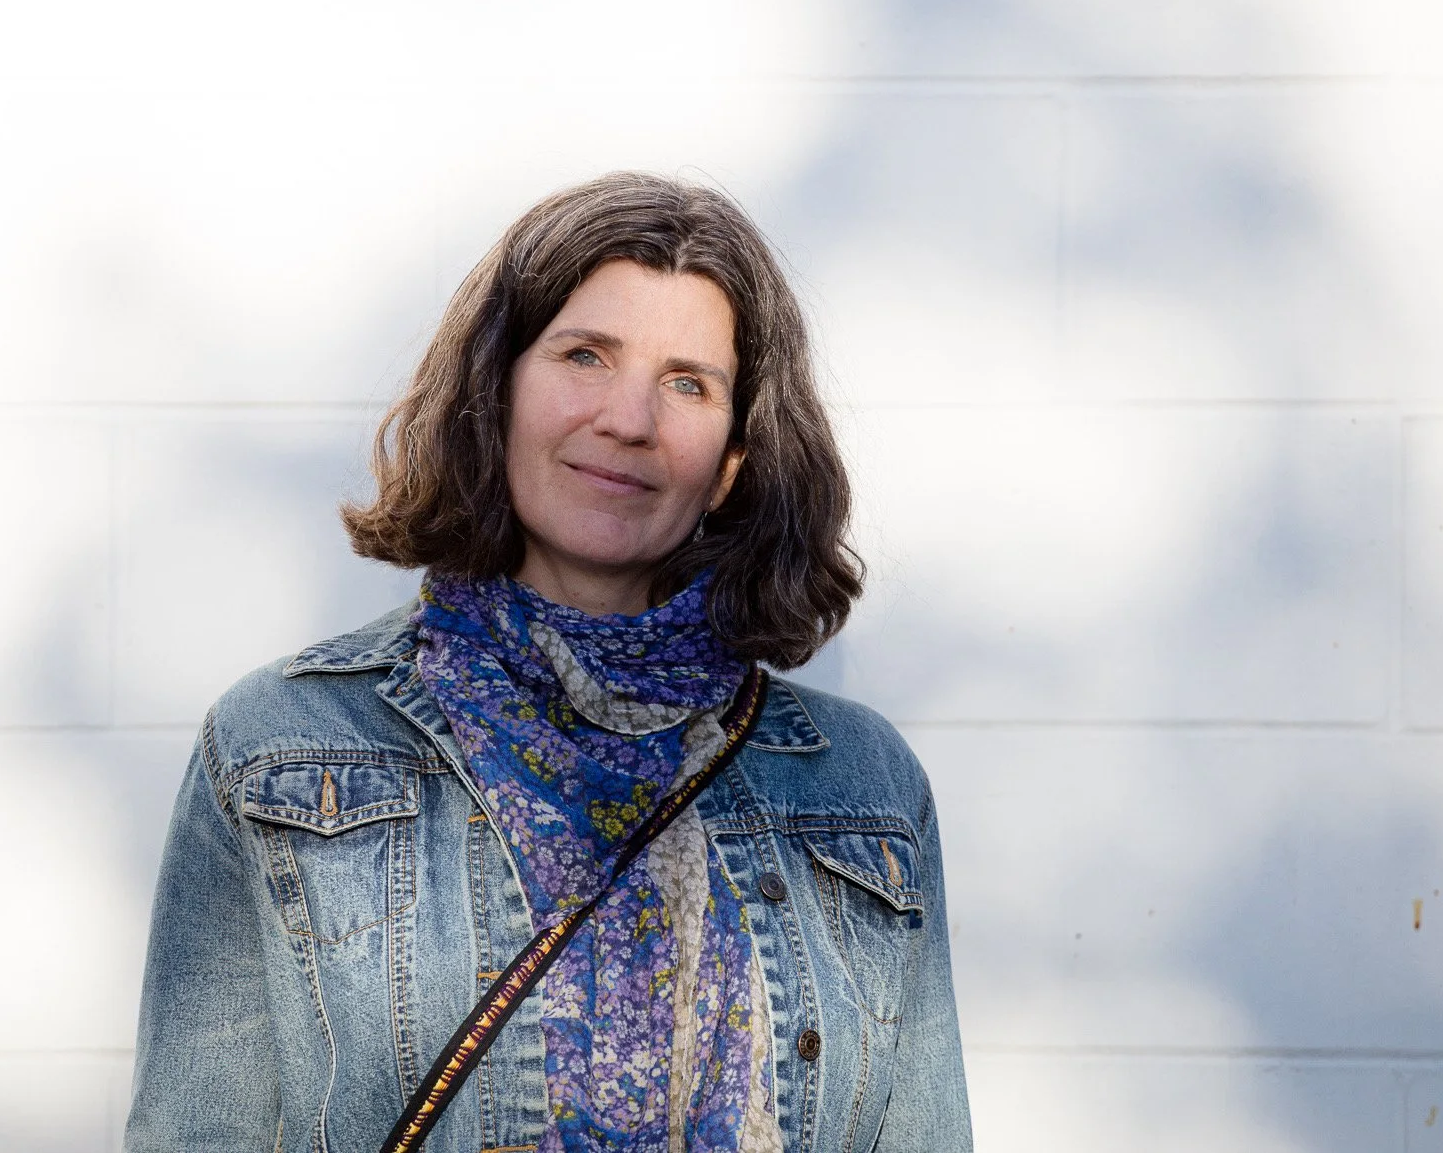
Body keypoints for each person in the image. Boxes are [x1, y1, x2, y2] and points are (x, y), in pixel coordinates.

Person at [124, 172, 974, 1153]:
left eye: (686, 383)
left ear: (732, 459)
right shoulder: (279, 750)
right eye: (584, 356)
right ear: (497, 388)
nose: (628, 419)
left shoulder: (860, 788)